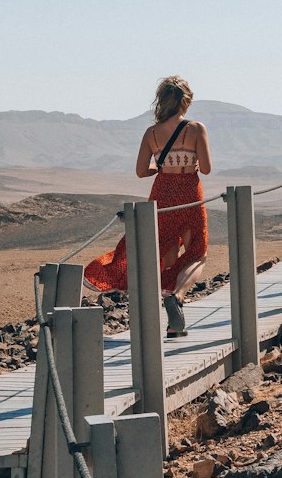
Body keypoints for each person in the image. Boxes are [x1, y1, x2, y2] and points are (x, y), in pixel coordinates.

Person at [84, 76, 211, 338]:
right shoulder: (196, 129)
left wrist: (162, 167)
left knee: (167, 250)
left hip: (163, 193)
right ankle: (177, 297)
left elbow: (142, 171)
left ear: (162, 101)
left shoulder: (151, 133)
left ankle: (171, 323)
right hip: (190, 192)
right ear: (186, 100)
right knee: (198, 252)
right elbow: (207, 169)